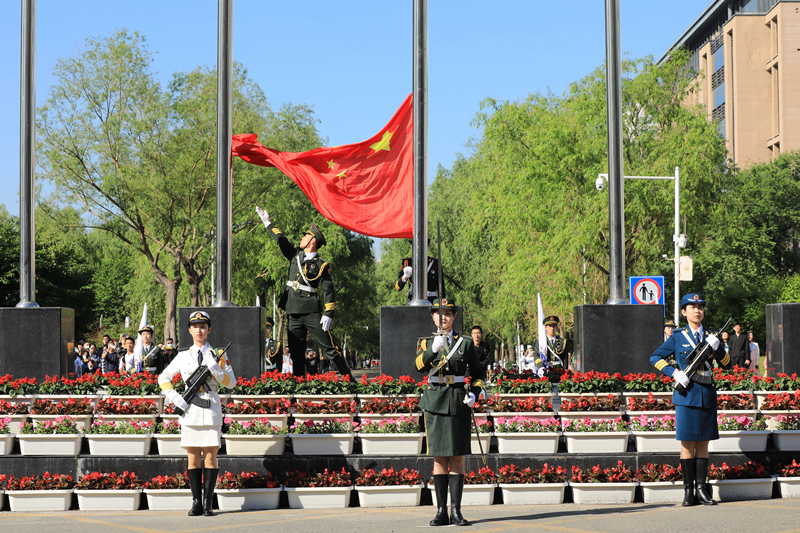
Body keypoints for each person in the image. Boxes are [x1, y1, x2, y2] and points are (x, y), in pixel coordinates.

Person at [650, 293, 731, 507]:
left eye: (701, 307)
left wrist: (718, 347)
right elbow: (654, 357)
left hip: (706, 395)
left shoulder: (711, 337)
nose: (698, 310)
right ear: (684, 312)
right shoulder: (677, 337)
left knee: (703, 444)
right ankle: (688, 492)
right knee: (687, 444)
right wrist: (674, 373)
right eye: (692, 307)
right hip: (685, 396)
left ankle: (701, 490)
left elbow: (727, 364)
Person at [255, 206, 353, 381]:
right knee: (296, 352)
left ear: (312, 241)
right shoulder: (294, 255)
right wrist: (267, 223)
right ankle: (299, 384)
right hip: (293, 311)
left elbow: (328, 289)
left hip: (311, 311)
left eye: (305, 236)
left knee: (330, 348)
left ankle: (349, 380)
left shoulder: (321, 264)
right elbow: (280, 240)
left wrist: (329, 313)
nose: (301, 238)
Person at [415, 298, 485, 527]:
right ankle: (440, 511)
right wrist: (431, 351)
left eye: (448, 313)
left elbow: (478, 373)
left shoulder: (465, 343)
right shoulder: (426, 342)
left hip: (457, 400)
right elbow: (417, 366)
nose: (443, 317)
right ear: (433, 317)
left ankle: (456, 511)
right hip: (435, 401)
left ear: (454, 317)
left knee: (456, 458)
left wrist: (475, 393)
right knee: (438, 458)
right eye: (438, 313)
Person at [158, 311, 235, 517]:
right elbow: (163, 377)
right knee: (193, 459)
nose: (199, 330)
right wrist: (174, 396)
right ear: (190, 330)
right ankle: (195, 502)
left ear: (209, 329)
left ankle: (208, 503)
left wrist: (216, 370)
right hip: (190, 410)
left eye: (203, 326)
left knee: (210, 458)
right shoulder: (183, 356)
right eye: (195, 326)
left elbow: (232, 383)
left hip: (210, 410)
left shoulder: (218, 354)